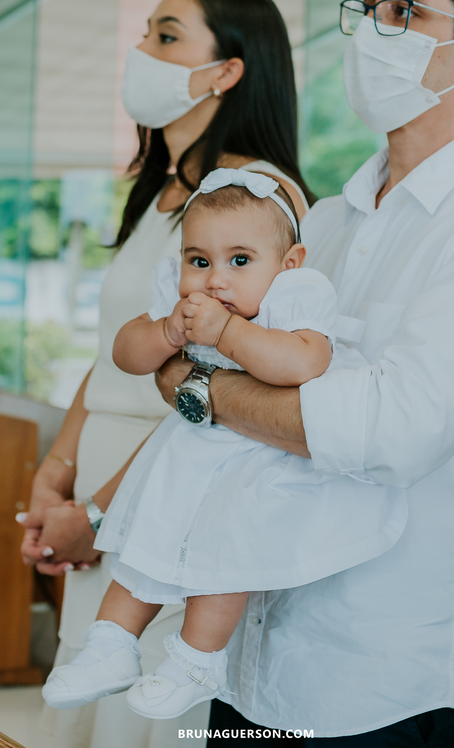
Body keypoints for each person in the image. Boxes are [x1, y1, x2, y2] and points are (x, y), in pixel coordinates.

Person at [133, 0, 454, 744]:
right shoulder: (325, 225)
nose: (374, 30)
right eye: (370, 7)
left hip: (388, 678)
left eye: (404, 11)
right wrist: (232, 384)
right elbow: (209, 363)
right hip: (249, 655)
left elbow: (386, 433)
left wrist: (200, 391)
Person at [18, 0, 313, 748]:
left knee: (144, 715)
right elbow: (116, 345)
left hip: (176, 489)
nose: (140, 50)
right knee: (85, 699)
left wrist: (105, 511)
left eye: (167, 36)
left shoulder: (255, 202)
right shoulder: (161, 193)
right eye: (146, 31)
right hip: (101, 478)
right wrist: (57, 469)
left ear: (228, 71)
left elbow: (226, 388)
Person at [42, 168, 405, 720]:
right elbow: (125, 355)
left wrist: (226, 335)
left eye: (239, 261)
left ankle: (196, 659)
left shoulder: (296, 299)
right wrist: (166, 331)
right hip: (188, 452)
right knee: (145, 541)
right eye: (199, 260)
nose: (214, 280)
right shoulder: (181, 303)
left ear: (288, 265)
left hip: (258, 458)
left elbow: (306, 363)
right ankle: (110, 645)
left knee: (224, 555)